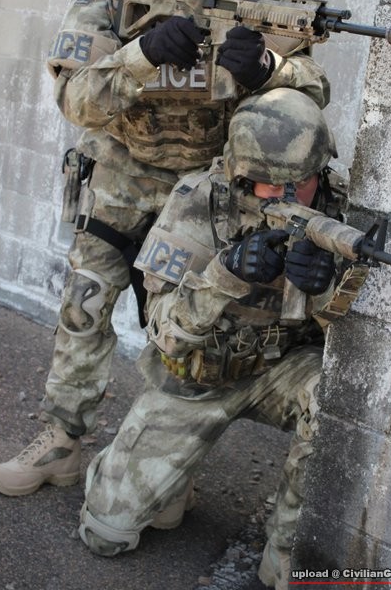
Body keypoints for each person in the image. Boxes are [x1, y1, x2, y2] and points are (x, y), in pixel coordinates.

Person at [0, 0, 330, 497]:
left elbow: (311, 93)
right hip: (122, 174)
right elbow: (77, 102)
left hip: (209, 187)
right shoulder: (100, 7)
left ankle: (157, 464)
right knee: (85, 304)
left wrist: (269, 72)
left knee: (184, 320)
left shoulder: (247, 2)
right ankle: (61, 440)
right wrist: (141, 55)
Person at [77, 88, 348, 590]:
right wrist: (225, 276)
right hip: (194, 379)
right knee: (106, 533)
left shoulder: (341, 212)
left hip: (281, 370)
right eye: (271, 183)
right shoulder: (198, 201)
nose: (288, 196)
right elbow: (163, 331)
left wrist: (325, 291)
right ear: (242, 173)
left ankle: (286, 549)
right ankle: (160, 475)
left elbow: (362, 352)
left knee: (336, 400)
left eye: (301, 182)